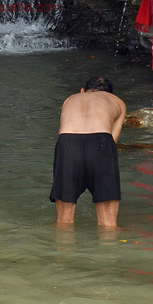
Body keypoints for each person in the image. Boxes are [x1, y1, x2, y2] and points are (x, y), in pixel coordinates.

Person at [50, 77, 127, 228]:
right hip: (101, 142)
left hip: (68, 143)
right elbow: (112, 140)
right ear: (110, 93)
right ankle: (109, 248)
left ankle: (62, 249)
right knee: (108, 224)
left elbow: (62, 131)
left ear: (82, 91)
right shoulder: (117, 101)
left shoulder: (70, 99)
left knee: (64, 222)